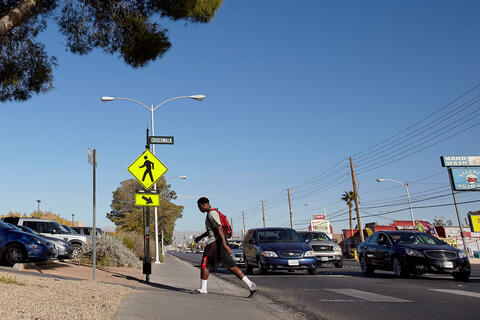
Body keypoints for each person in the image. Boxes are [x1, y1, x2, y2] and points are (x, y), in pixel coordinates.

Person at [191, 197, 257, 297]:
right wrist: (201, 237)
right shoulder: (214, 212)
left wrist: (225, 245)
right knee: (231, 265)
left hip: (214, 243)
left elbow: (219, 228)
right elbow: (212, 229)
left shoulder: (211, 213)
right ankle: (250, 284)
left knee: (205, 264)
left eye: (199, 206)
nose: (199, 209)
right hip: (219, 242)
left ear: (204, 204)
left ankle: (203, 289)